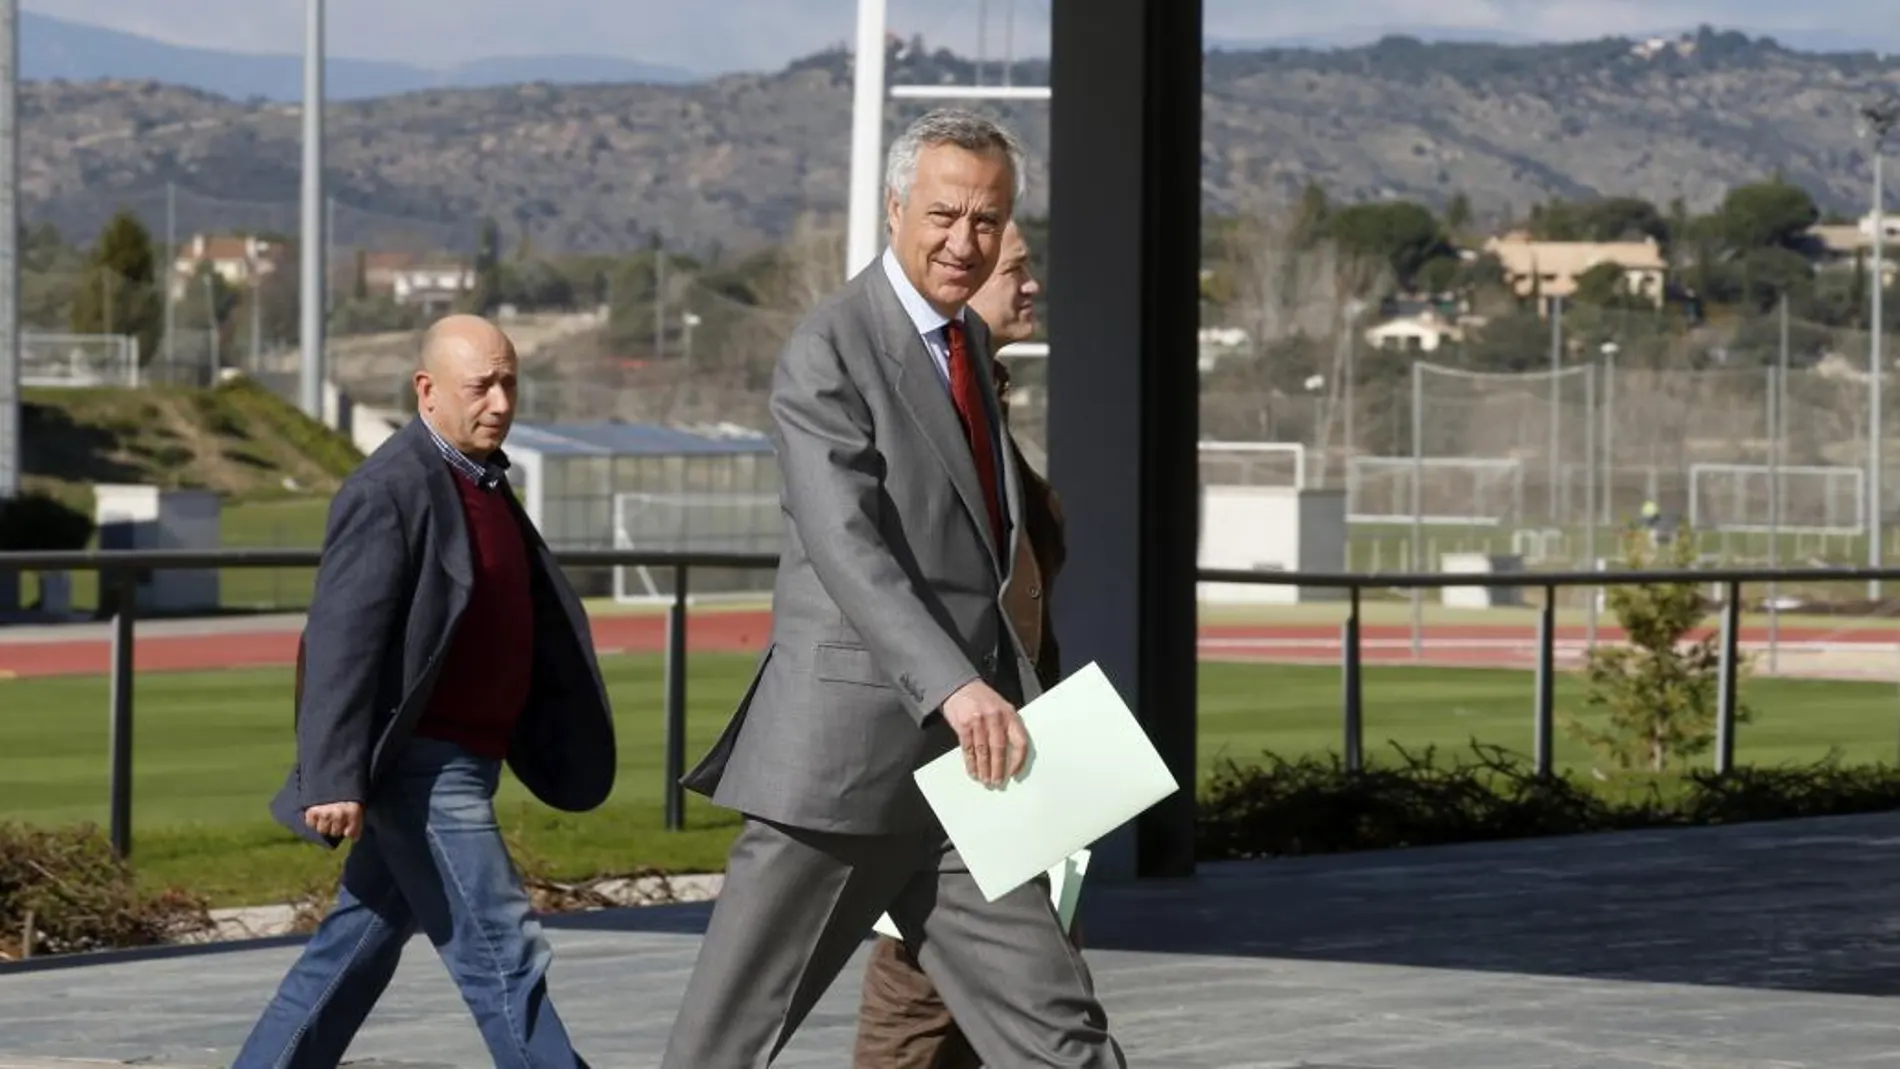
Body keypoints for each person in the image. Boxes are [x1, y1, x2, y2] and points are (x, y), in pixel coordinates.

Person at [660, 107, 1125, 1068]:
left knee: (1061, 1035)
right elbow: (845, 541)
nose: (967, 241)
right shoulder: (830, 346)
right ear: (895, 208)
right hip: (844, 766)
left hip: (975, 775)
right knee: (723, 1047)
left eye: (988, 222)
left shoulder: (965, 352)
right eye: (945, 215)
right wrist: (953, 685)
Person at [232, 314, 616, 1069]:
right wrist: (334, 774)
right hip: (424, 766)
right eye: (481, 386)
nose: (501, 402)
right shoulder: (390, 488)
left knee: (352, 951)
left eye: (510, 382)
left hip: (470, 757)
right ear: (427, 390)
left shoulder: (484, 480)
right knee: (504, 952)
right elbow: (342, 639)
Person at [851, 219, 1070, 1069]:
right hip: (960, 745)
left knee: (1010, 990)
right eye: (1014, 268)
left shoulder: (984, 397)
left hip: (1013, 742)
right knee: (933, 990)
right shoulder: (927, 405)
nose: (1028, 282)